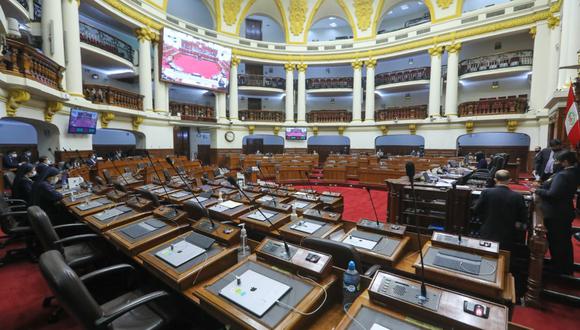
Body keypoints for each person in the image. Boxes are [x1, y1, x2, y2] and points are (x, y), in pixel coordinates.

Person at [535, 150, 577, 275]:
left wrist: (538, 191)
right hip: (565, 211)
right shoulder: (574, 172)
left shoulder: (563, 175)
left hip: (556, 213)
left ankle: (559, 268)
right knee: (563, 241)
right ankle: (564, 266)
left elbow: (553, 194)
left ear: (565, 162)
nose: (555, 163)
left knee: (557, 241)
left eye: (558, 161)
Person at [473, 170, 527, 251]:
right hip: (508, 236)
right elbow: (523, 218)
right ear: (510, 180)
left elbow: (476, 210)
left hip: (488, 232)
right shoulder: (518, 196)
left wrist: (484, 219)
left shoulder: (486, 192)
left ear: (495, 179)